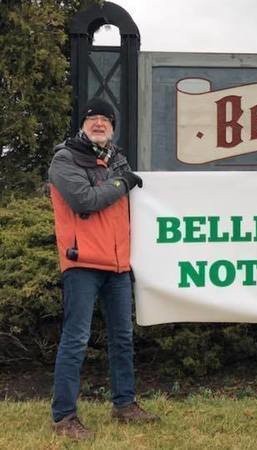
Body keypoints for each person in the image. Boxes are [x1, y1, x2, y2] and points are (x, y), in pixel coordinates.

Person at [48, 98, 158, 439]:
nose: (99, 123)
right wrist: (121, 183)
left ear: (113, 127)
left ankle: (124, 404)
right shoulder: (65, 159)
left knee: (123, 338)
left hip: (118, 266)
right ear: (83, 125)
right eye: (92, 118)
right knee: (76, 339)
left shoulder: (118, 160)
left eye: (105, 119)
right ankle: (64, 417)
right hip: (81, 263)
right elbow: (85, 199)